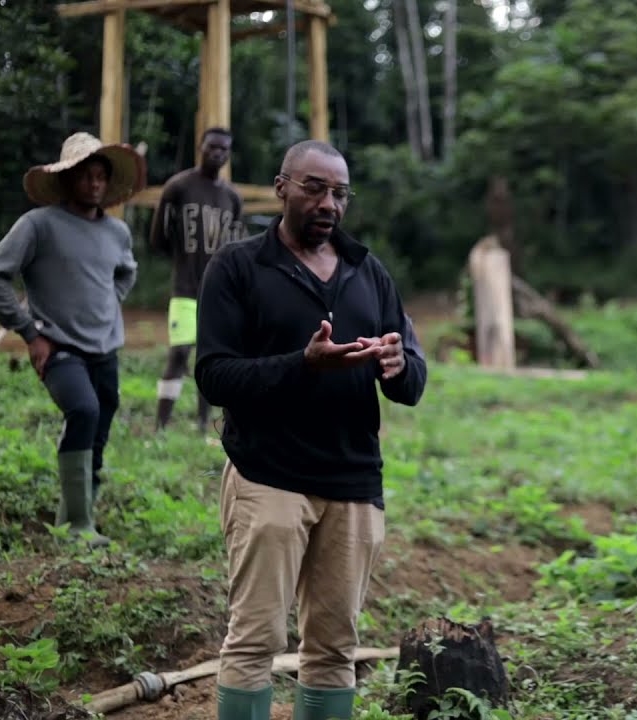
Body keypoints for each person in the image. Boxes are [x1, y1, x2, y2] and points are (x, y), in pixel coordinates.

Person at [195, 139, 427, 720]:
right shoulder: (238, 267)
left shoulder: (368, 272)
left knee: (334, 650)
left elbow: (413, 381)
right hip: (268, 474)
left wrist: (400, 366)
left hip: (353, 482)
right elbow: (214, 376)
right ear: (282, 188)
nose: (329, 203)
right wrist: (303, 364)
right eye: (314, 188)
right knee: (255, 642)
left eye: (340, 193)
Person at [0, 132, 145, 547]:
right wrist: (29, 331)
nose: (94, 184)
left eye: (101, 176)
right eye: (85, 176)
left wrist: (109, 302)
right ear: (68, 179)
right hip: (58, 346)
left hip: (106, 347)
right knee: (83, 411)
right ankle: (78, 527)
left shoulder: (116, 233)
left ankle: (75, 517)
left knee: (100, 424)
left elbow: (126, 272)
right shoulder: (39, 225)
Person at [149, 127, 244, 432]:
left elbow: (235, 242)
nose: (218, 153)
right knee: (179, 353)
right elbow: (158, 236)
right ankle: (161, 426)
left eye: (224, 149)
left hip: (218, 293)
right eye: (212, 146)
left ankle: (203, 424)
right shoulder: (179, 187)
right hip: (185, 287)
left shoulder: (232, 197)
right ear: (200, 147)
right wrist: (181, 258)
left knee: (209, 356)